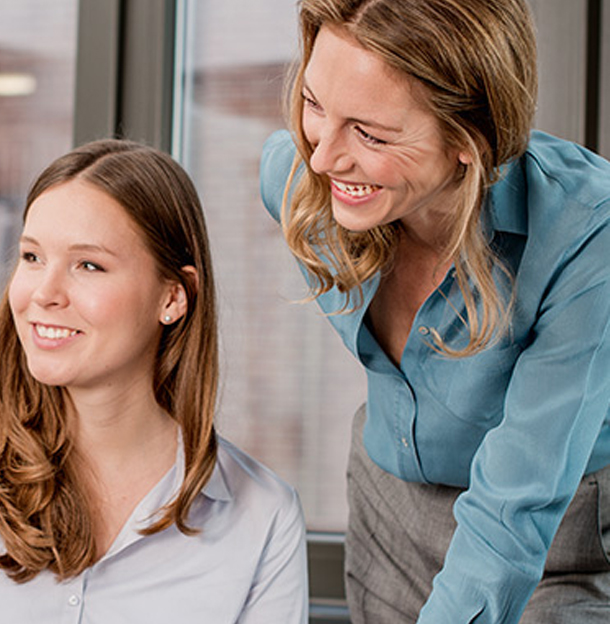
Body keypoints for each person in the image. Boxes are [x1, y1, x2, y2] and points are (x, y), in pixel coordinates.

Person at [0, 139, 308, 623]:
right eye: (31, 257)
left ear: (173, 296)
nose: (43, 293)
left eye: (88, 265)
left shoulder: (264, 520)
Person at [258, 0, 610, 621]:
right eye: (316, 105)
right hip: (390, 503)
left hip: (557, 532)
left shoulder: (587, 238)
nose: (321, 158)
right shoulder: (294, 179)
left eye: (369, 133)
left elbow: (513, 512)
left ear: (469, 138)